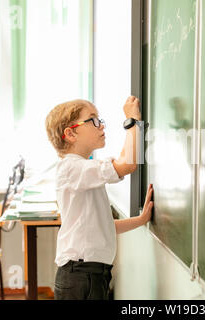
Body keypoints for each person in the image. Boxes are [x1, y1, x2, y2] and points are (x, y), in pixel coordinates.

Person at [45, 96, 154, 300]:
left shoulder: (82, 171)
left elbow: (102, 226)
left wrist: (141, 220)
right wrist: (132, 120)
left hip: (90, 274)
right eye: (93, 120)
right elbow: (128, 164)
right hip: (81, 275)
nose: (101, 126)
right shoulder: (72, 168)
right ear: (70, 133)